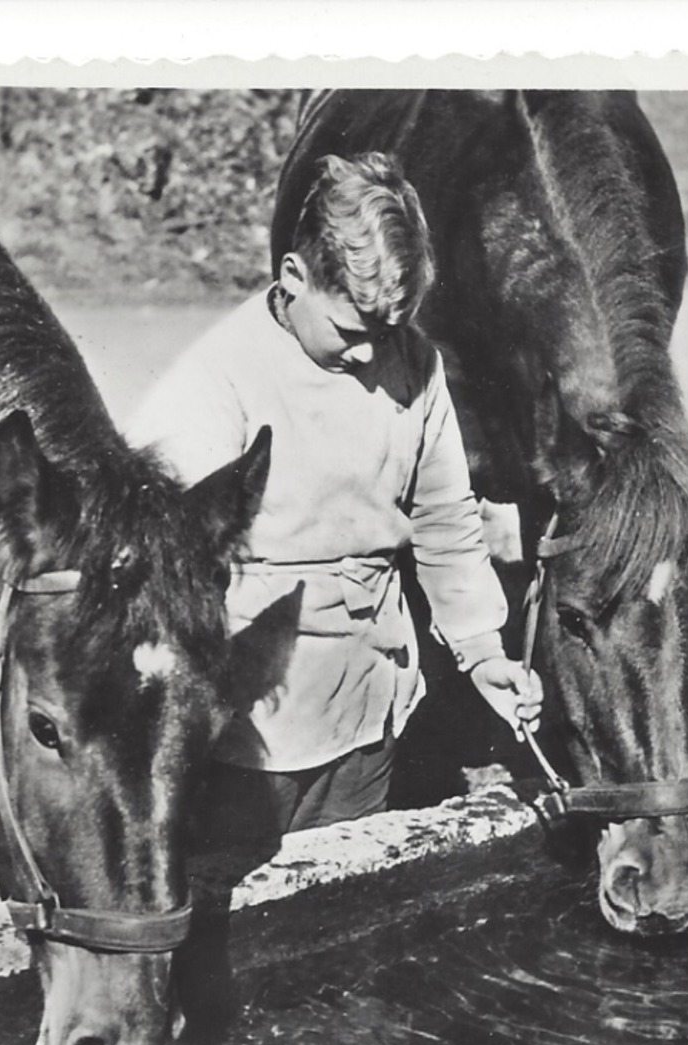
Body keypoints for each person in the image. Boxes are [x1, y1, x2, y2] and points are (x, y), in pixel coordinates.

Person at [129, 150, 541, 848]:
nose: (365, 357)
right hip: (249, 716)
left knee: (345, 901)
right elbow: (158, 561)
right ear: (293, 277)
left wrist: (480, 650)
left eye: (385, 333)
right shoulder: (214, 380)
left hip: (367, 696)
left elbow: (445, 519)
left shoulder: (412, 362)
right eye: (350, 333)